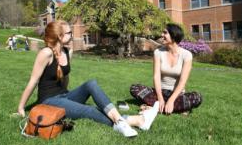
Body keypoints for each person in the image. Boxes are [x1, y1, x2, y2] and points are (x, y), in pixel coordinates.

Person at [17, 20, 159, 138]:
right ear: (60, 36)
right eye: (69, 33)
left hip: (64, 96)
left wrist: (69, 96)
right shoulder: (46, 53)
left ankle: (122, 120)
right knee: (89, 110)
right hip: (49, 102)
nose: (72, 35)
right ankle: (135, 121)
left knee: (91, 84)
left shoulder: (67, 51)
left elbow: (65, 78)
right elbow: (33, 82)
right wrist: (21, 108)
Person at [130, 23, 202, 114]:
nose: (162, 35)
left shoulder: (187, 55)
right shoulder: (158, 52)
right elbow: (156, 76)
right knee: (135, 88)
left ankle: (156, 106)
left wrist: (171, 100)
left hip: (177, 95)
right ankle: (176, 108)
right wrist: (160, 98)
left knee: (197, 97)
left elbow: (183, 81)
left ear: (174, 35)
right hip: (159, 92)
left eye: (165, 33)